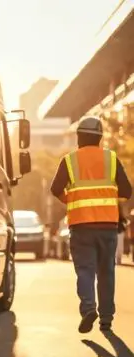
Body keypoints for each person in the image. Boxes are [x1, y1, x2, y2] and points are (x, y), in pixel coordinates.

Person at [50, 116, 132, 334]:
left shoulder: (69, 161)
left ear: (79, 137)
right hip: (107, 227)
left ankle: (88, 308)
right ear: (100, 138)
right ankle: (106, 319)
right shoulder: (111, 159)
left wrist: (72, 201)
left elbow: (55, 188)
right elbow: (127, 191)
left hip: (81, 225)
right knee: (106, 272)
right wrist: (108, 196)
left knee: (85, 270)